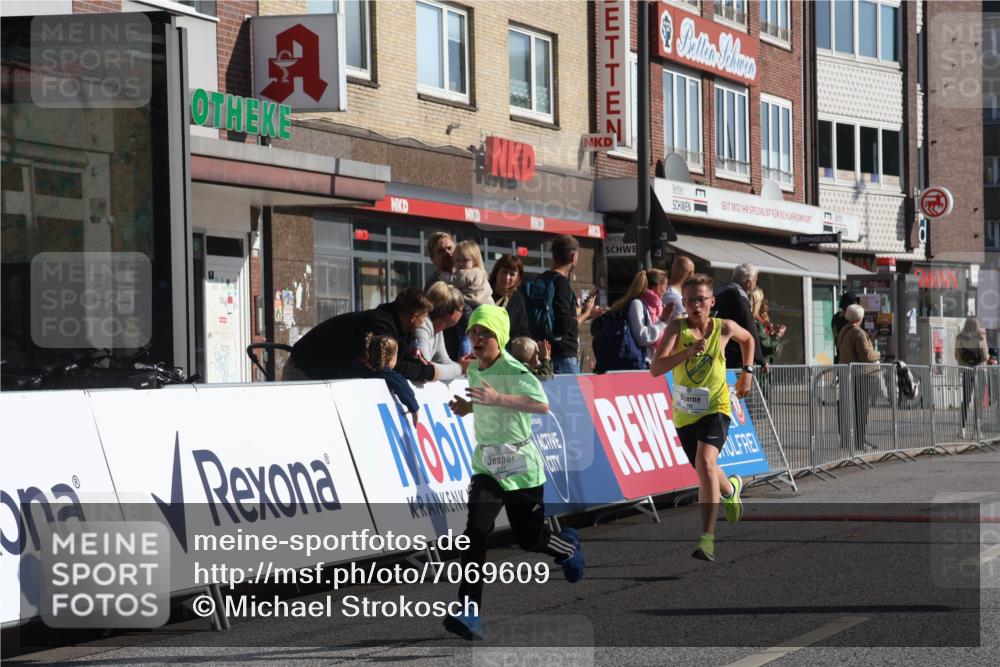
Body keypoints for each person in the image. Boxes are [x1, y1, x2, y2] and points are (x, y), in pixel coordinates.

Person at [445, 305, 584, 640]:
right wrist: (470, 406)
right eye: (474, 332)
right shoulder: (475, 368)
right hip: (487, 467)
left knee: (529, 539)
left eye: (485, 333)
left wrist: (496, 398)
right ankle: (469, 611)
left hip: (522, 467)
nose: (477, 339)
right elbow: (486, 400)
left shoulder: (514, 369)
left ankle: (568, 549)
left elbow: (542, 405)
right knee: (476, 532)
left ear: (500, 338)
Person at [650, 273, 754, 562]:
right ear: (683, 302)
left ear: (712, 301)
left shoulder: (724, 328)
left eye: (701, 300)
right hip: (685, 414)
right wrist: (685, 354)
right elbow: (655, 369)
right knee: (705, 466)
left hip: (716, 408)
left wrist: (747, 372)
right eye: (690, 300)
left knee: (705, 461)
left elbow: (748, 341)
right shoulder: (676, 329)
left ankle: (707, 539)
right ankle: (731, 488)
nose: (696, 305)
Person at [287, 288, 435, 383]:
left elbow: (397, 362)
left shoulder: (397, 328)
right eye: (424, 317)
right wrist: (428, 372)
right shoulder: (381, 325)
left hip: (319, 371)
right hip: (304, 370)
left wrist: (418, 366)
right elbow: (388, 366)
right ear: (413, 317)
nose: (424, 322)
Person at [533, 234, 603, 374]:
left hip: (544, 354)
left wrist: (585, 315)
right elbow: (566, 325)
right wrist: (587, 313)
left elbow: (556, 318)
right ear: (573, 257)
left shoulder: (541, 279)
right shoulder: (562, 283)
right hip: (564, 356)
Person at [836, 304, 880, 452]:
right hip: (861, 375)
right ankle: (860, 442)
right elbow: (867, 355)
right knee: (861, 410)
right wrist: (878, 354)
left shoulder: (844, 330)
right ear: (860, 318)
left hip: (848, 374)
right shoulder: (859, 334)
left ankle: (849, 440)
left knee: (851, 409)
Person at [352, 334, 419, 426]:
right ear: (389, 360)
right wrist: (414, 408)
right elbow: (402, 385)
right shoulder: (386, 373)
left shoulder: (358, 362)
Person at [607, 268, 670, 366]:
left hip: (655, 364)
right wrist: (661, 322)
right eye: (665, 287)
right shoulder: (637, 304)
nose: (666, 291)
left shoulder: (658, 308)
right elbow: (641, 338)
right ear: (658, 287)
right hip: (641, 364)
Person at [414, 282, 473, 381]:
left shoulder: (438, 331)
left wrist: (463, 366)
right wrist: (460, 368)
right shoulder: (422, 326)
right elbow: (426, 369)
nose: (462, 314)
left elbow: (444, 361)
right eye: (461, 310)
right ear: (453, 313)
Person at [714, 263, 766, 371]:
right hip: (734, 356)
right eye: (756, 280)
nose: (756, 283)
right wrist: (759, 358)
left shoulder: (717, 290)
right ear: (748, 282)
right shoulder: (739, 296)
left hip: (714, 350)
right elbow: (749, 326)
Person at [955, 316, 988, 434]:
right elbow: (985, 356)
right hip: (979, 371)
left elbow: (957, 355)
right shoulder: (980, 338)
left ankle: (962, 429)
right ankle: (976, 430)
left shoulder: (959, 338)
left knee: (966, 400)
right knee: (978, 401)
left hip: (966, 371)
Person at [489, 254, 532, 341]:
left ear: (518, 278)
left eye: (512, 274)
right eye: (504, 272)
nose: (507, 277)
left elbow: (522, 331)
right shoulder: (484, 291)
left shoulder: (518, 299)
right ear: (497, 272)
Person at [749, 287, 786, 365]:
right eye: (761, 299)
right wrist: (778, 335)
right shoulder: (754, 321)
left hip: (762, 366)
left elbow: (764, 340)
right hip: (758, 367)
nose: (764, 302)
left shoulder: (759, 318)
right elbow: (768, 347)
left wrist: (772, 333)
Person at [662, 255, 695, 325]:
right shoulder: (676, 298)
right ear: (690, 274)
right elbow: (688, 326)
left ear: (672, 269)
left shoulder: (663, 291)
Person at [831, 292, 859, 364]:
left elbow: (834, 335)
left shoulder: (836, 317)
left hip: (840, 357)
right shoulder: (850, 319)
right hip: (852, 358)